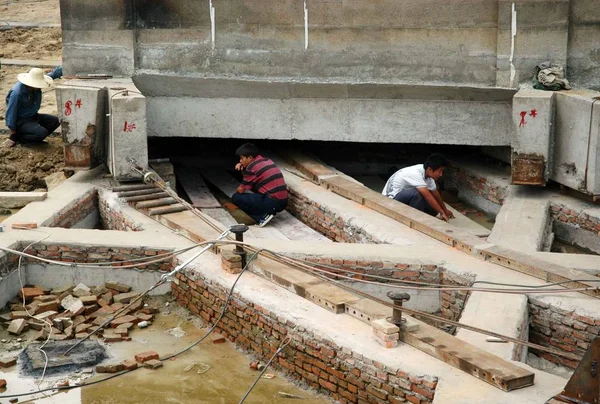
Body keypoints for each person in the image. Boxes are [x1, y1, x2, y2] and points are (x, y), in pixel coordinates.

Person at [382, 153, 455, 222]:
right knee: (417, 193)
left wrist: (444, 210)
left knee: (434, 205)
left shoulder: (428, 175)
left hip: (404, 197)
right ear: (430, 169)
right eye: (440, 171)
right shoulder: (415, 173)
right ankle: (415, 220)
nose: (441, 174)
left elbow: (436, 194)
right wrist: (441, 212)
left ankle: (419, 215)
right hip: (391, 200)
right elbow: (427, 197)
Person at [3, 66, 63, 148]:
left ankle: (35, 138)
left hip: (33, 116)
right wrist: (13, 134)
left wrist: (65, 68)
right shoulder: (17, 94)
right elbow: (11, 113)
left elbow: (52, 75)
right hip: (21, 121)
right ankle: (22, 139)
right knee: (42, 132)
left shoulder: (34, 88)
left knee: (56, 121)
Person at [232, 143, 288, 227]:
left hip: (272, 203)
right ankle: (266, 211)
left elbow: (241, 190)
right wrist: (244, 167)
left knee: (236, 197)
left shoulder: (252, 167)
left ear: (250, 157)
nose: (240, 161)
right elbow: (250, 180)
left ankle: (261, 216)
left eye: (241, 158)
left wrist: (242, 169)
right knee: (254, 189)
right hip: (283, 202)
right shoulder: (267, 160)